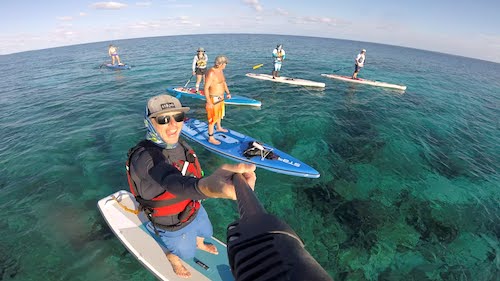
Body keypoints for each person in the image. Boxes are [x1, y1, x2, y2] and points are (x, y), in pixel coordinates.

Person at [127, 94, 256, 278]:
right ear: (149, 122)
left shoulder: (178, 144)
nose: (173, 125)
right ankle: (173, 256)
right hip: (172, 222)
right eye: (164, 119)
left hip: (193, 206)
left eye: (178, 117)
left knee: (207, 232)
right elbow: (171, 180)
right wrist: (209, 188)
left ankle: (199, 243)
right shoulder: (146, 158)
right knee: (185, 253)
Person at [204, 55, 231, 145]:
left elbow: (223, 82)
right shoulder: (211, 72)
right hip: (213, 98)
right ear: (220, 64)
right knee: (212, 119)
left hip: (220, 97)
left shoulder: (220, 71)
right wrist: (208, 101)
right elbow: (206, 88)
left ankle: (219, 127)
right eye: (225, 64)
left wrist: (228, 93)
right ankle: (211, 137)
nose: (225, 66)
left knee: (219, 114)